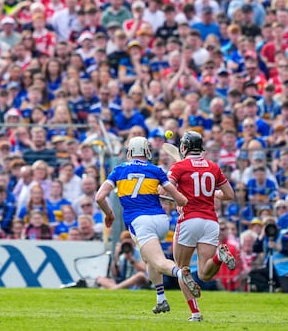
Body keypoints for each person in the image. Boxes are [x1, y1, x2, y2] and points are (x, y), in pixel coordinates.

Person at [96, 136, 199, 318]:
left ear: (129, 153)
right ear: (147, 152)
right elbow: (181, 199)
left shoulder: (119, 170)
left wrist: (110, 214)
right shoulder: (156, 170)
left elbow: (99, 197)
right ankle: (161, 299)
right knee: (148, 258)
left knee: (159, 261)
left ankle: (181, 274)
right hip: (161, 220)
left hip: (140, 221)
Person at [168, 131, 235, 322]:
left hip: (189, 220)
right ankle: (219, 256)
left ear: (184, 147)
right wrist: (212, 195)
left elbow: (165, 187)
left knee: (182, 269)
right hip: (210, 222)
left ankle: (195, 313)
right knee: (205, 274)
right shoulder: (213, 167)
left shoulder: (179, 166)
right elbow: (229, 194)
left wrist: (176, 194)